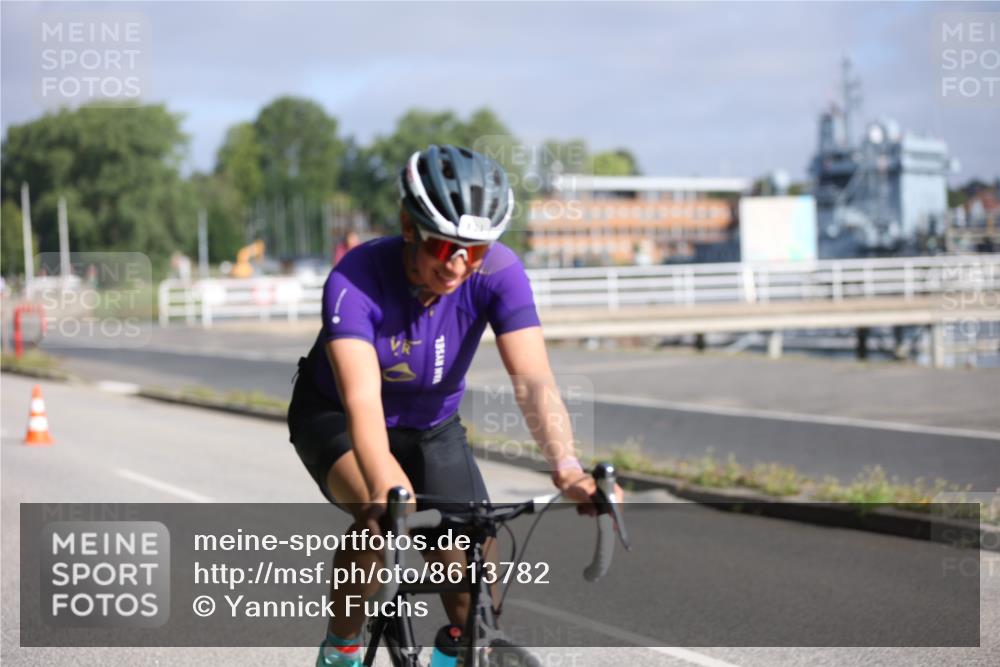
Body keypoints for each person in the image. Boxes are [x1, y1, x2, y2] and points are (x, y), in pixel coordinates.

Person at [287, 144, 620, 667]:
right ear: (409, 226)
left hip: (433, 426)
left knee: (475, 598)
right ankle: (342, 647)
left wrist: (567, 466)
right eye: (446, 248)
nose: (461, 265)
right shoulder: (355, 279)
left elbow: (534, 381)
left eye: (477, 250)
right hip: (338, 417)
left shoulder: (501, 274)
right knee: (382, 513)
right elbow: (362, 400)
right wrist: (391, 485)